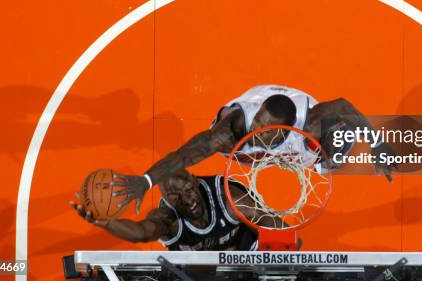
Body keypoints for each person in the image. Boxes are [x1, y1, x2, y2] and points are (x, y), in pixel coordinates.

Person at [114, 85, 397, 214]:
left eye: (268, 127)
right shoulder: (233, 131)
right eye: (259, 121)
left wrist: (377, 143)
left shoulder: (309, 122)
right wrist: (146, 180)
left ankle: (316, 152)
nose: (258, 129)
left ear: (286, 130)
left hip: (298, 129)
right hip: (243, 148)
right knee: (223, 147)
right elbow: (184, 155)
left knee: (332, 147)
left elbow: (345, 106)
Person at [70, 169, 270, 251]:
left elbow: (282, 232)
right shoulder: (168, 219)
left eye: (188, 190)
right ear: (167, 201)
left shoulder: (230, 199)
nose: (187, 200)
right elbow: (140, 232)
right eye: (176, 198)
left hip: (248, 268)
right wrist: (105, 222)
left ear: (195, 180)